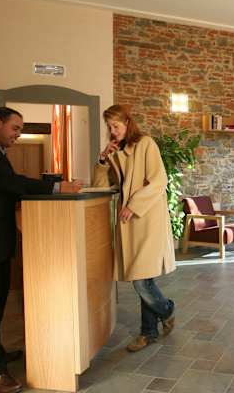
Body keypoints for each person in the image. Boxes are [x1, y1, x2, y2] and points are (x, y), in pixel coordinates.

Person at [0, 107, 81, 393]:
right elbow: (11, 184)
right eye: (15, 128)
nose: (18, 134)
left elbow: (7, 186)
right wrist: (57, 188)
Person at [93, 105, 176, 352]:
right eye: (109, 127)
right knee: (143, 276)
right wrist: (102, 161)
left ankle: (167, 310)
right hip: (129, 223)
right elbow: (101, 187)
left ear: (127, 123)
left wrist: (134, 205)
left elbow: (159, 180)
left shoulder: (146, 144)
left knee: (141, 279)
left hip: (147, 219)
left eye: (116, 125)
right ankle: (149, 332)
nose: (112, 131)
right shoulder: (116, 152)